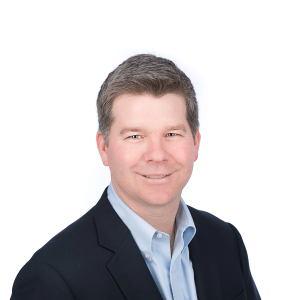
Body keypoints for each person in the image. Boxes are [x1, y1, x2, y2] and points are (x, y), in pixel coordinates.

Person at [11, 54, 261, 300]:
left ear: (195, 143)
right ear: (104, 147)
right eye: (135, 136)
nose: (157, 155)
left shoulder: (226, 241)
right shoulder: (52, 278)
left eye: (172, 134)